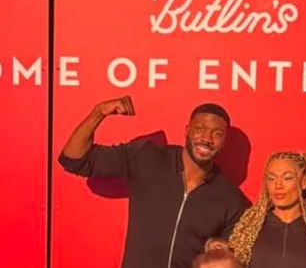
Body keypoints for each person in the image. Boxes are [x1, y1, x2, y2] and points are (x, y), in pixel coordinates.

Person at [58, 95, 250, 268]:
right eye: (200, 129)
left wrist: (221, 251)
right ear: (187, 130)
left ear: (224, 142)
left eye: (217, 134)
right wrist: (99, 112)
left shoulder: (230, 199)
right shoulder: (147, 158)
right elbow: (74, 160)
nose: (207, 139)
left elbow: (232, 259)